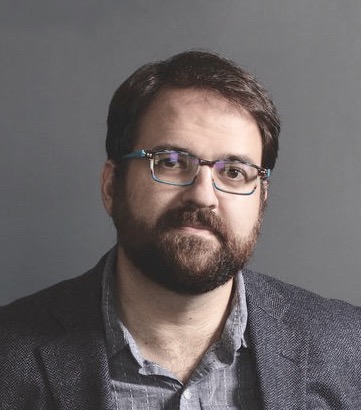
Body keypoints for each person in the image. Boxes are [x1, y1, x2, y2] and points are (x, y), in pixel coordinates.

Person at [0, 50, 360, 410]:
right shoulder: (9, 358)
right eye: (171, 162)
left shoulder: (350, 351)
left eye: (233, 172)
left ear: (261, 199)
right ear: (112, 186)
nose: (204, 196)